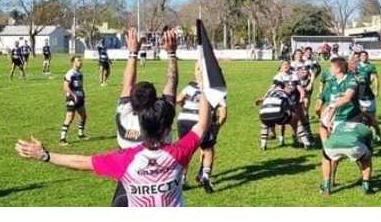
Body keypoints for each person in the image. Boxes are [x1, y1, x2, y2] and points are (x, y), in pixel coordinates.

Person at [15, 38, 212, 207]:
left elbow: (81, 162)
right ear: (167, 127)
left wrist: (45, 155)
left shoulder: (125, 153)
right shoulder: (178, 152)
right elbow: (201, 124)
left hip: (125, 189)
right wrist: (201, 82)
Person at [111, 26, 179, 206]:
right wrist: (171, 54)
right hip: (159, 191)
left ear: (131, 102)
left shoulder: (123, 118)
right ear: (155, 102)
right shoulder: (160, 123)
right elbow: (172, 85)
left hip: (126, 190)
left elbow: (127, 85)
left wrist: (132, 53)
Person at [176, 64, 227, 193]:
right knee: (208, 149)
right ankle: (205, 176)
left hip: (183, 119)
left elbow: (178, 99)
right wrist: (217, 126)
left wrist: (185, 105)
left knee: (185, 150)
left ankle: (182, 179)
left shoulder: (190, 85)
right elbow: (223, 112)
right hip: (201, 120)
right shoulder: (216, 89)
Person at [319, 111, 375, 196]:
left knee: (326, 158)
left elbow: (333, 136)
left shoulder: (340, 125)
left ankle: (326, 185)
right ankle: (366, 185)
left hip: (331, 147)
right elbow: (370, 147)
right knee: (366, 158)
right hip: (352, 147)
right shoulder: (365, 128)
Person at [60, 55, 88, 145]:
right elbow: (65, 87)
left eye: (81, 60)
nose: (80, 62)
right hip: (72, 98)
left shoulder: (80, 73)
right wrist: (74, 95)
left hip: (79, 98)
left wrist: (82, 94)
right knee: (69, 117)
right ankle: (62, 138)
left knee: (83, 116)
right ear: (73, 62)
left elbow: (80, 86)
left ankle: (80, 134)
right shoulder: (70, 73)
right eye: (78, 60)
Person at [257, 86, 293, 150]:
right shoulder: (284, 94)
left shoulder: (270, 91)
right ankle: (281, 139)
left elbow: (263, 100)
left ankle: (263, 143)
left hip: (264, 115)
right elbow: (290, 106)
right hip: (278, 114)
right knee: (282, 117)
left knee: (265, 123)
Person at [356, 51, 381, 141]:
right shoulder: (355, 66)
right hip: (356, 95)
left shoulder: (371, 66)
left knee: (371, 118)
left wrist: (376, 90)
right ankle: (364, 137)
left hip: (368, 95)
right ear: (359, 57)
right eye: (362, 55)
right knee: (359, 118)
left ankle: (377, 130)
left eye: (365, 55)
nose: (364, 57)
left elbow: (375, 78)